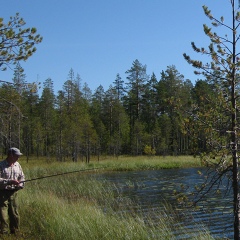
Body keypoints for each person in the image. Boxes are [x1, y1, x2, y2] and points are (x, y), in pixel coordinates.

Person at [0, 147, 25, 235]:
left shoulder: (17, 165)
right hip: (2, 192)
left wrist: (20, 185)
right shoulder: (1, 165)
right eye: (17, 156)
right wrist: (9, 181)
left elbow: (22, 177)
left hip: (14, 193)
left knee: (15, 213)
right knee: (3, 214)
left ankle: (15, 231)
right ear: (11, 155)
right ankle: (4, 233)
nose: (18, 158)